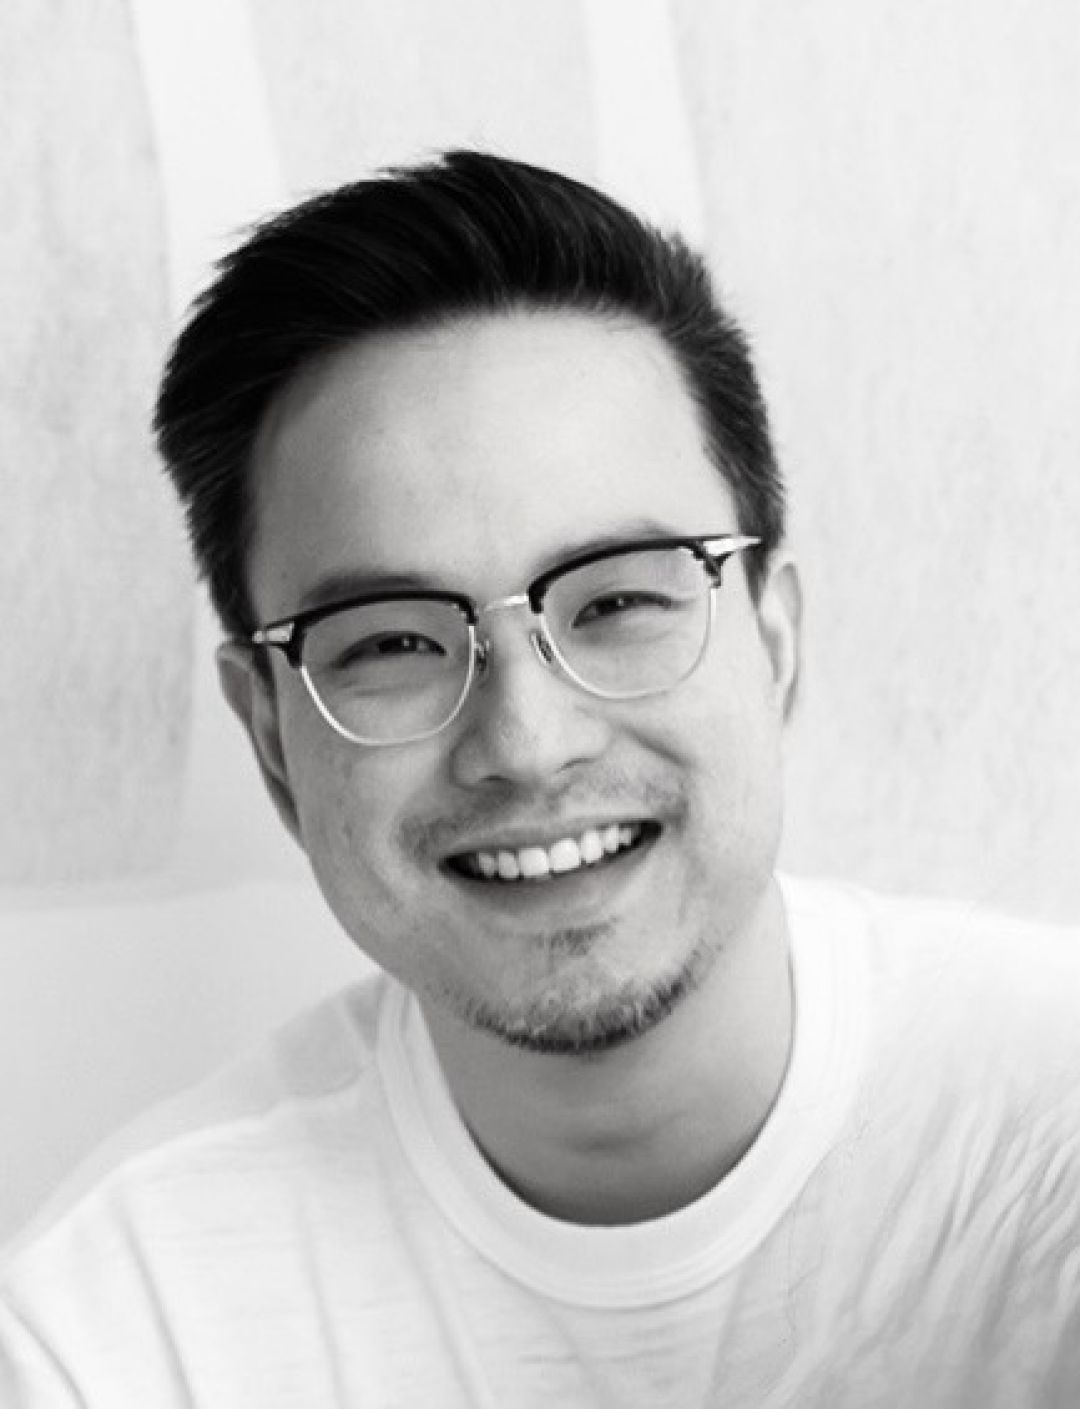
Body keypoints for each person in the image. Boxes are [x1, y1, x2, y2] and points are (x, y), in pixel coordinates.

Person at [1, 150, 1077, 1407]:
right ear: (274, 740)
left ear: (774, 640)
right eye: (394, 643)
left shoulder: (1048, 1124)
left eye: (615, 602)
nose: (527, 738)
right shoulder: (111, 1335)